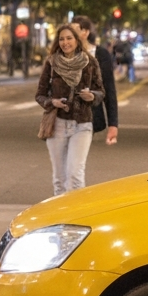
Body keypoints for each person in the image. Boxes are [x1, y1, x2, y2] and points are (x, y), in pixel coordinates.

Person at [35, 22, 105, 195]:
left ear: (77, 40)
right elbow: (40, 95)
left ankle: (75, 216)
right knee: (59, 178)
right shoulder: (51, 63)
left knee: (75, 175)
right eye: (61, 39)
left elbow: (101, 91)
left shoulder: (90, 62)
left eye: (69, 38)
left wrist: (92, 96)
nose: (65, 42)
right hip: (57, 124)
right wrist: (53, 102)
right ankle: (60, 218)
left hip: (82, 125)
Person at [74, 15, 118, 146]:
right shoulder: (63, 54)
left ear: (85, 32)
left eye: (74, 31)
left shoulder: (101, 55)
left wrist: (113, 124)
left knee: (77, 158)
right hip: (65, 117)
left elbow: (109, 89)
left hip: (89, 116)